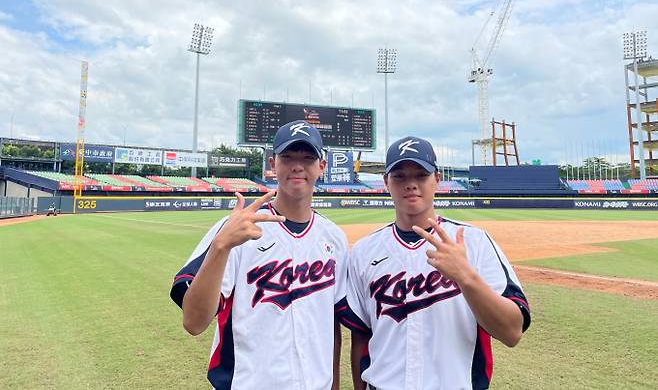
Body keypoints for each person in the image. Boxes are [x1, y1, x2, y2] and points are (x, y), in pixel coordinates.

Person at [339, 136, 531, 390]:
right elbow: (361, 335)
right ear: (386, 182)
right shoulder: (364, 251)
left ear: (436, 180)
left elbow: (512, 332)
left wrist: (466, 278)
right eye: (399, 176)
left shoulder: (474, 242)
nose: (411, 184)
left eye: (420, 175)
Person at [170, 120, 348, 390]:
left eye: (307, 157)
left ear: (321, 166)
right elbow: (194, 322)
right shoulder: (236, 230)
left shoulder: (334, 238)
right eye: (288, 157)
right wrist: (221, 247)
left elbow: (331, 322)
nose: (297, 166)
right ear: (273, 164)